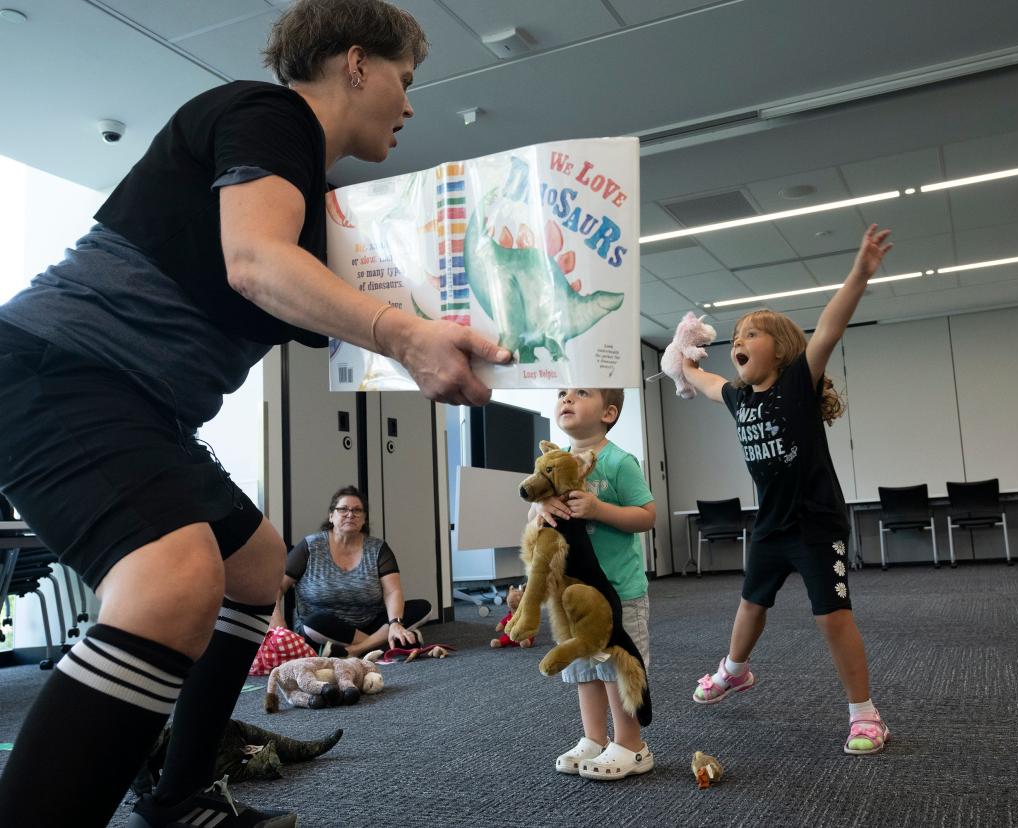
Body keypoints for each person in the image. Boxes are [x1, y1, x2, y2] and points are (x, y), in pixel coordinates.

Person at [0, 2, 510, 825]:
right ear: (355, 64)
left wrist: (446, 327)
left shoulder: (315, 198)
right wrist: (405, 334)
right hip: (57, 370)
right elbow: (254, 263)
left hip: (144, 405)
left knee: (255, 564)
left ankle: (178, 796)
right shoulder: (267, 114)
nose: (410, 105)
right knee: (173, 580)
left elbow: (320, 300)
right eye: (404, 81)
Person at [680, 224, 894, 755]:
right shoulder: (738, 398)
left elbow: (828, 327)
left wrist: (859, 274)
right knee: (751, 602)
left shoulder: (799, 381)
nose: (738, 343)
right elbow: (704, 383)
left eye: (750, 334)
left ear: (780, 349)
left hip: (816, 524)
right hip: (772, 525)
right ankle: (735, 671)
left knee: (831, 615)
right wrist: (679, 360)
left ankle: (865, 715)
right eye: (735, 338)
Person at [532, 388, 658, 780]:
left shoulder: (620, 462)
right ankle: (594, 738)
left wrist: (600, 509)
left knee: (617, 666)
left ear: (609, 412)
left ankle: (632, 745)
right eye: (562, 393)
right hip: (572, 594)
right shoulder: (554, 464)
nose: (566, 398)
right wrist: (541, 508)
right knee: (583, 666)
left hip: (617, 591)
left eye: (580, 393)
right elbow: (536, 517)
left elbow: (647, 515)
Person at [272, 485, 432, 657]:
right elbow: (277, 587)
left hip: (369, 622)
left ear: (364, 519)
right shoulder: (310, 546)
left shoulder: (378, 548)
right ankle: (387, 644)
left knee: (422, 607)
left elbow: (392, 591)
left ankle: (353, 650)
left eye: (357, 510)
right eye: (343, 509)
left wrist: (394, 623)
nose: (350, 514)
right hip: (325, 628)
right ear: (331, 515)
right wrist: (279, 626)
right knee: (314, 623)